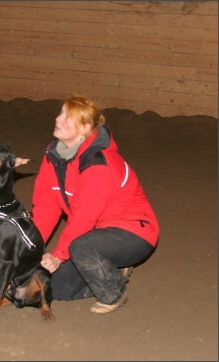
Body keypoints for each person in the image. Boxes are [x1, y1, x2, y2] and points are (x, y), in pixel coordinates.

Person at [31, 94, 159, 314]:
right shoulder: (53, 156)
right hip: (96, 234)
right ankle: (111, 272)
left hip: (133, 234)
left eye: (67, 117)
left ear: (85, 129)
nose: (58, 119)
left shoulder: (100, 163)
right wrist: (28, 246)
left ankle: (113, 293)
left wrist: (57, 256)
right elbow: (45, 207)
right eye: (61, 113)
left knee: (80, 246)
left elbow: (83, 220)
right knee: (55, 288)